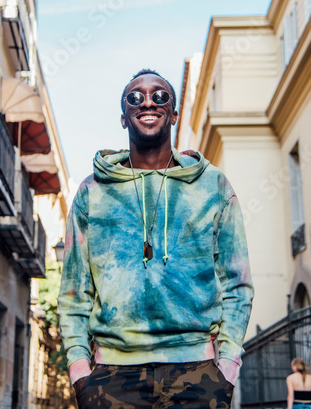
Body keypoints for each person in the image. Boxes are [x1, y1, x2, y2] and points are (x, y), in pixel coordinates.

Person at [58, 69, 254, 408]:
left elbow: (238, 283)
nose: (148, 101)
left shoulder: (213, 185)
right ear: (123, 117)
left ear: (174, 114)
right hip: (111, 374)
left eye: (160, 95)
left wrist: (227, 366)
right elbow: (74, 291)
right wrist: (79, 371)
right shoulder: (92, 191)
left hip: (199, 373)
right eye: (135, 97)